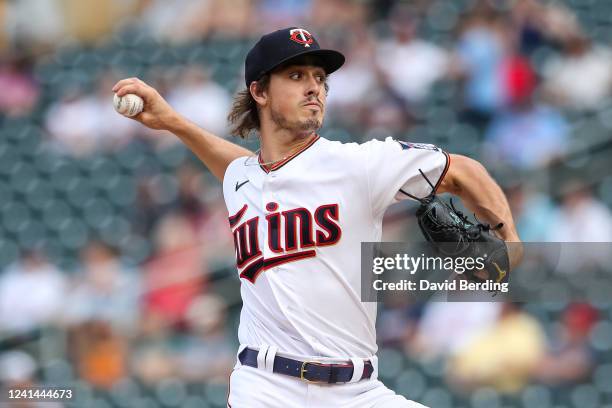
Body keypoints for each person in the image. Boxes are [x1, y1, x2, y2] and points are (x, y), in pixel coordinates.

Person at [113, 27, 521, 408]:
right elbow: (243, 168)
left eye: (320, 78)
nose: (314, 87)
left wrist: (511, 244)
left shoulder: (359, 164)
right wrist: (172, 123)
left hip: (360, 390)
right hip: (265, 385)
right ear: (259, 91)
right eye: (296, 75)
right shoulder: (242, 178)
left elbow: (464, 171)